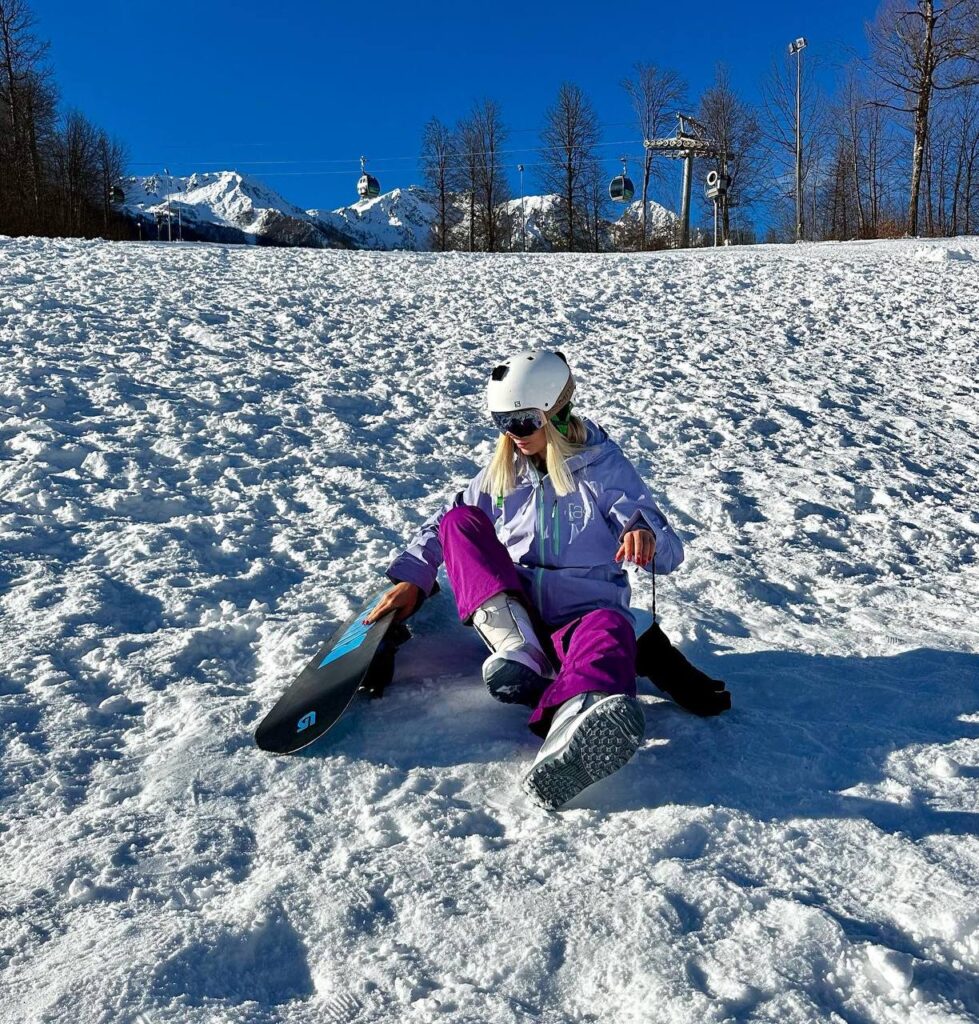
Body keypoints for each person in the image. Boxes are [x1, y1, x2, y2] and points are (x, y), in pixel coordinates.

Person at [366, 348, 686, 810]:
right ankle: (519, 651)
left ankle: (572, 728)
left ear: (557, 413)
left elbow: (668, 551)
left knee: (612, 629)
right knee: (460, 521)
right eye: (502, 423)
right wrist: (413, 577)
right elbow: (443, 524)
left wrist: (644, 533)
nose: (512, 436)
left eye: (522, 423)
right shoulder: (505, 470)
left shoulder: (604, 470)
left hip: (580, 618)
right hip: (512, 616)